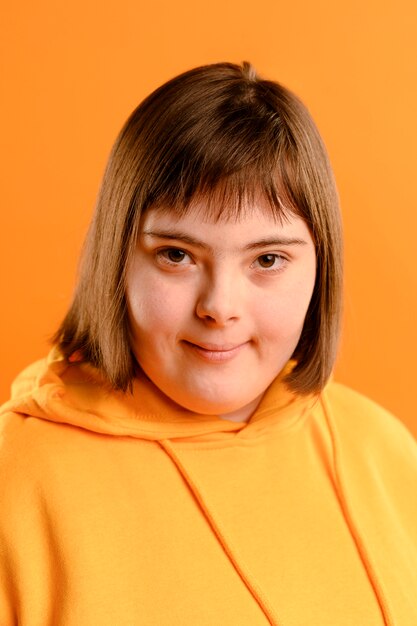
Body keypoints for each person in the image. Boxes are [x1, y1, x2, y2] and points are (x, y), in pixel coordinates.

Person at [0, 62, 416, 626]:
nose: (220, 306)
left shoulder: (386, 451)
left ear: (322, 267)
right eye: (176, 255)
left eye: (267, 259)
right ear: (117, 257)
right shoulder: (15, 482)